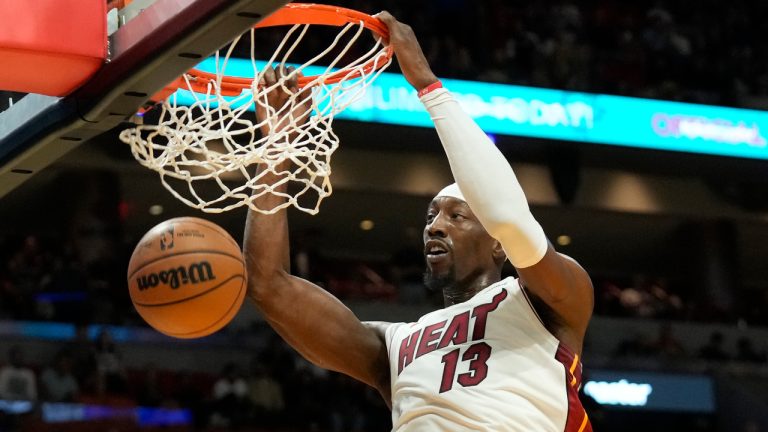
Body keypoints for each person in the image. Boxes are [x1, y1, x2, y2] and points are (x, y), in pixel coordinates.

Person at [244, 11, 594, 431]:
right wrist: (276, 149)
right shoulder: (393, 345)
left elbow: (510, 218)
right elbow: (269, 285)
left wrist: (428, 86)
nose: (435, 225)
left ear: (497, 243)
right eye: (431, 216)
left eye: (456, 215)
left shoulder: (547, 301)